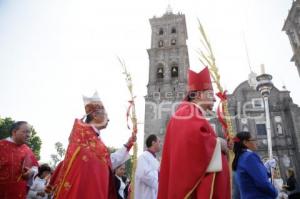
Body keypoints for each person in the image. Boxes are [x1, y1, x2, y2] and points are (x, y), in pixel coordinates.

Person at [157, 67, 230, 199]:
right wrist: (219, 143)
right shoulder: (187, 112)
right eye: (210, 94)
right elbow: (194, 141)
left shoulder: (190, 112)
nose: (214, 99)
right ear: (197, 95)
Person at [46, 92, 136, 199]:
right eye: (106, 115)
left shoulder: (98, 142)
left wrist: (128, 144)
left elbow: (108, 162)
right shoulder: (81, 133)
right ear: (95, 115)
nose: (108, 119)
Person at [232, 131, 278, 199]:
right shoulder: (250, 156)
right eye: (253, 140)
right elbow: (262, 183)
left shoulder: (241, 157)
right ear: (245, 142)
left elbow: (251, 176)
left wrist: (265, 169)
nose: (256, 142)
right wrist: (275, 192)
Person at [0, 121, 39, 199]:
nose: (28, 135)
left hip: (19, 193)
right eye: (25, 132)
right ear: (14, 132)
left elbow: (35, 167)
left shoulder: (27, 150)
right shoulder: (1, 145)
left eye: (29, 132)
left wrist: (31, 172)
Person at [134, 134, 160, 199]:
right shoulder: (143, 157)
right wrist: (159, 176)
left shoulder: (155, 160)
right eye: (159, 141)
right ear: (153, 143)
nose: (161, 144)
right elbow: (143, 174)